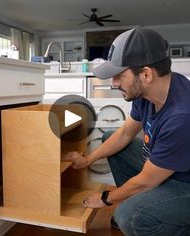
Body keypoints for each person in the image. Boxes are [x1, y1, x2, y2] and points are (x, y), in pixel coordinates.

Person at [64, 27, 190, 236]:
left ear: (146, 74)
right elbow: (124, 134)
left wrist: (106, 198)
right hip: (166, 170)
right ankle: (141, 203)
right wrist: (87, 160)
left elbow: (146, 181)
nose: (113, 83)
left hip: (185, 185)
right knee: (111, 136)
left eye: (119, 76)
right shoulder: (151, 92)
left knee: (128, 217)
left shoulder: (181, 117)